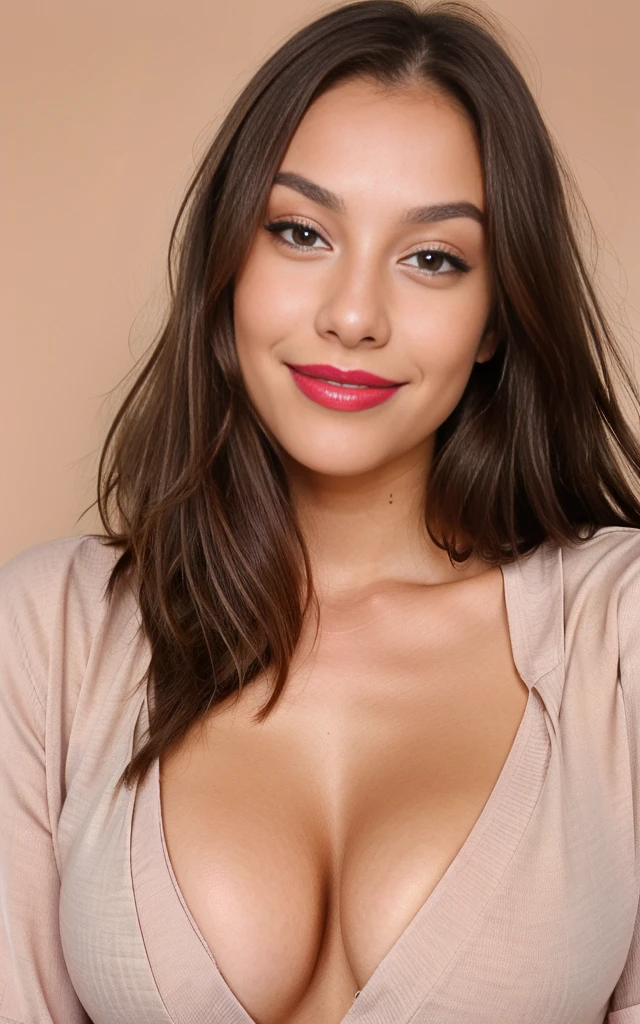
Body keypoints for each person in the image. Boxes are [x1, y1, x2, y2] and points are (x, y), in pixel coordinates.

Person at [2, 0, 640, 1021]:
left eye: (432, 257)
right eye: (299, 232)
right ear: (228, 269)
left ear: (494, 318)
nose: (352, 313)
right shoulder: (55, 635)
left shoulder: (615, 638)